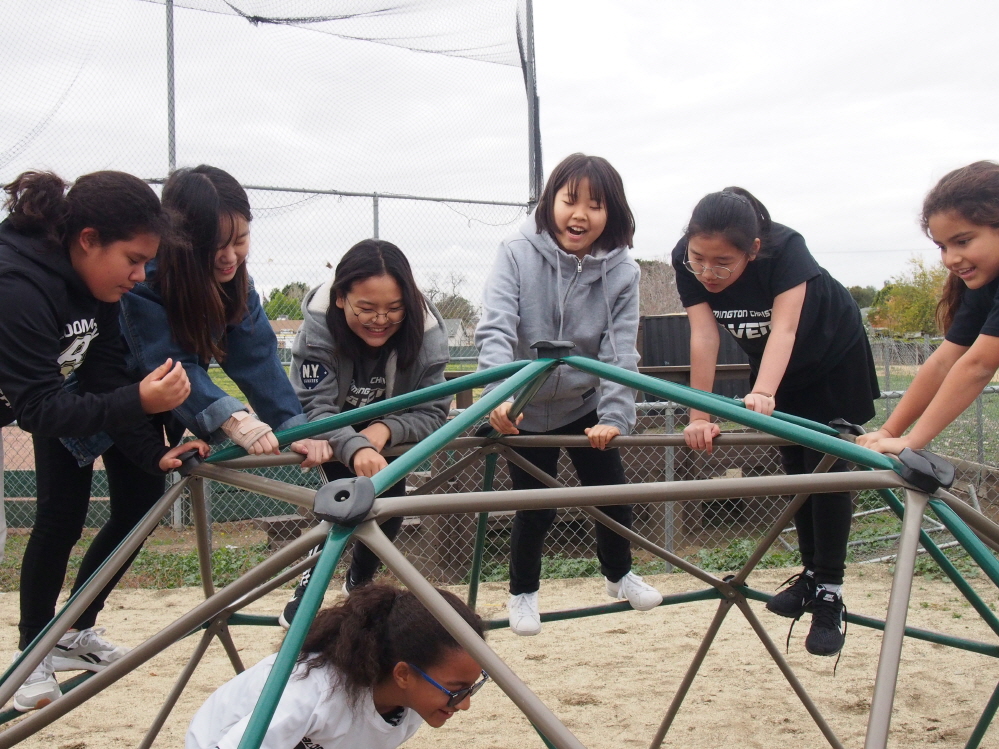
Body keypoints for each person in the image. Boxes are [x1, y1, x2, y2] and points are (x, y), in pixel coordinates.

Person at [0, 170, 209, 712]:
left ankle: (61, 640)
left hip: (35, 401)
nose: (140, 276)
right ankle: (32, 655)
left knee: (100, 513)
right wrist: (140, 399)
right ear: (88, 239)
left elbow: (104, 379)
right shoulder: (18, 286)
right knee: (57, 520)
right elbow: (40, 410)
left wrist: (152, 452)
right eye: (133, 259)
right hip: (33, 405)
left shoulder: (96, 288)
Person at [672, 187, 879, 657]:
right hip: (778, 366)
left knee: (826, 470)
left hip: (833, 356)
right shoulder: (687, 260)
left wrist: (765, 392)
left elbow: (784, 328)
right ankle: (811, 575)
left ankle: (830, 592)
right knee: (794, 469)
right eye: (698, 259)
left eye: (723, 263)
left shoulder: (787, 249)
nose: (708, 272)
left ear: (753, 250)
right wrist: (699, 414)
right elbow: (704, 336)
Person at [475, 152, 663, 637]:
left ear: (611, 213)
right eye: (570, 201)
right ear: (550, 202)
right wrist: (499, 396)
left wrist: (615, 416)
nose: (580, 215)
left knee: (611, 495)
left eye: (595, 206)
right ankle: (523, 593)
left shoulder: (623, 272)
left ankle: (619, 575)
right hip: (522, 405)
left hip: (583, 404)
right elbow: (497, 328)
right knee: (536, 506)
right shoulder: (516, 251)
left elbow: (620, 350)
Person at [280, 239, 450, 627]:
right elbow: (314, 407)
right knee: (341, 504)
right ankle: (308, 590)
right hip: (331, 430)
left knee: (388, 511)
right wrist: (355, 445)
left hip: (389, 434)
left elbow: (434, 411)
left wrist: (386, 428)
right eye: (367, 308)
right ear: (341, 298)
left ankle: (359, 581)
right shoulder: (318, 331)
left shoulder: (426, 337)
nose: (381, 319)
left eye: (394, 308)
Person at [119, 165, 329, 465]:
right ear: (180, 241)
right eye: (215, 246)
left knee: (143, 490)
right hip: (98, 403)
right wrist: (233, 418)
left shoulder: (237, 287)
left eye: (240, 241)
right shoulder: (145, 282)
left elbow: (257, 360)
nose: (230, 257)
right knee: (66, 494)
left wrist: (294, 428)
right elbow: (170, 365)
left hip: (156, 409)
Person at [187, 583, 488, 749]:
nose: (464, 704)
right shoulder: (309, 691)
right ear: (403, 674)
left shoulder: (410, 708)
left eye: (471, 688)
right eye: (456, 690)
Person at [860, 161, 999, 460]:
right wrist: (889, 432)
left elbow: (979, 365)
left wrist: (913, 440)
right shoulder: (982, 286)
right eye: (942, 247)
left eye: (963, 241)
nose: (951, 259)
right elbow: (944, 362)